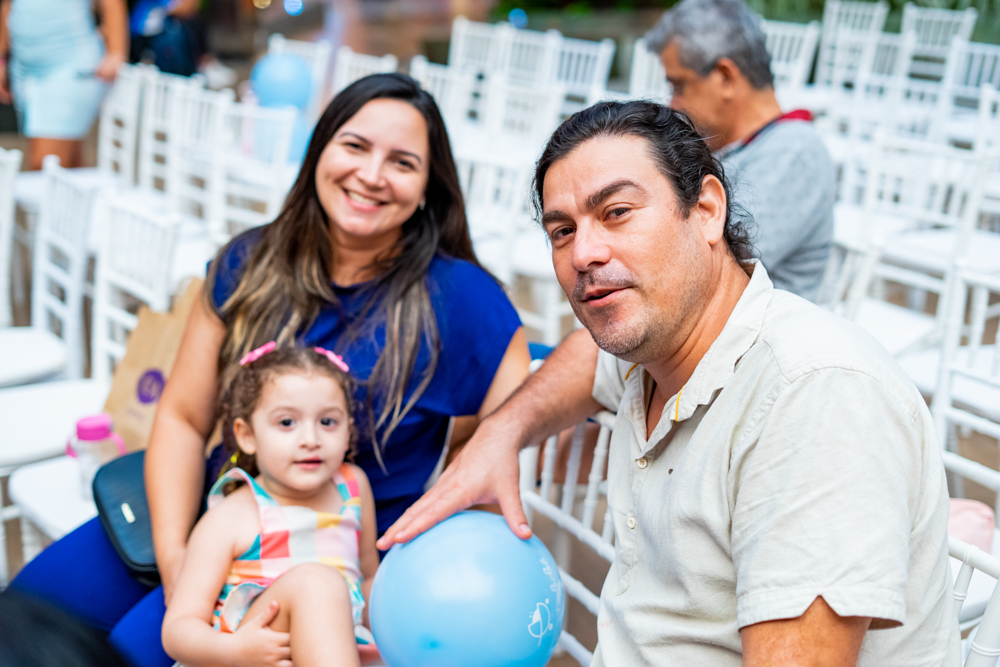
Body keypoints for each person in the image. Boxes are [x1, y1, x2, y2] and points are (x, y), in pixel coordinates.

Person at [380, 101, 960, 665]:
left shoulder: (813, 396)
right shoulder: (659, 340)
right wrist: (500, 432)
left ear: (706, 209)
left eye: (617, 212)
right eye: (562, 230)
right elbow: (587, 354)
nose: (584, 253)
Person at [9, 73, 529, 667]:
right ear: (319, 150)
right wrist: (177, 558)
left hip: (320, 552)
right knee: (25, 617)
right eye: (355, 146)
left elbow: (489, 457)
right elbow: (182, 418)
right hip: (212, 513)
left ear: (428, 187)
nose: (371, 174)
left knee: (125, 651)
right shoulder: (250, 260)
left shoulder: (465, 301)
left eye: (402, 162)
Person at [163, 345, 378, 667]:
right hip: (253, 656)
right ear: (247, 435)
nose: (311, 439)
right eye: (287, 422)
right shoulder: (231, 517)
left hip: (342, 651)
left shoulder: (353, 488)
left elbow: (368, 577)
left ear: (348, 431)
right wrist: (235, 651)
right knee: (317, 583)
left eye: (328, 422)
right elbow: (178, 629)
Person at [646, 0, 835, 301]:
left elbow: (709, 265)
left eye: (679, 86)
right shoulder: (741, 146)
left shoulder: (795, 152)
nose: (673, 104)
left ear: (725, 76)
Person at [0, 0, 129, 169]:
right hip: (23, 69)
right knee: (67, 161)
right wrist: (2, 59)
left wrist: (116, 52)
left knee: (44, 165)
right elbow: (8, 4)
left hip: (70, 64)